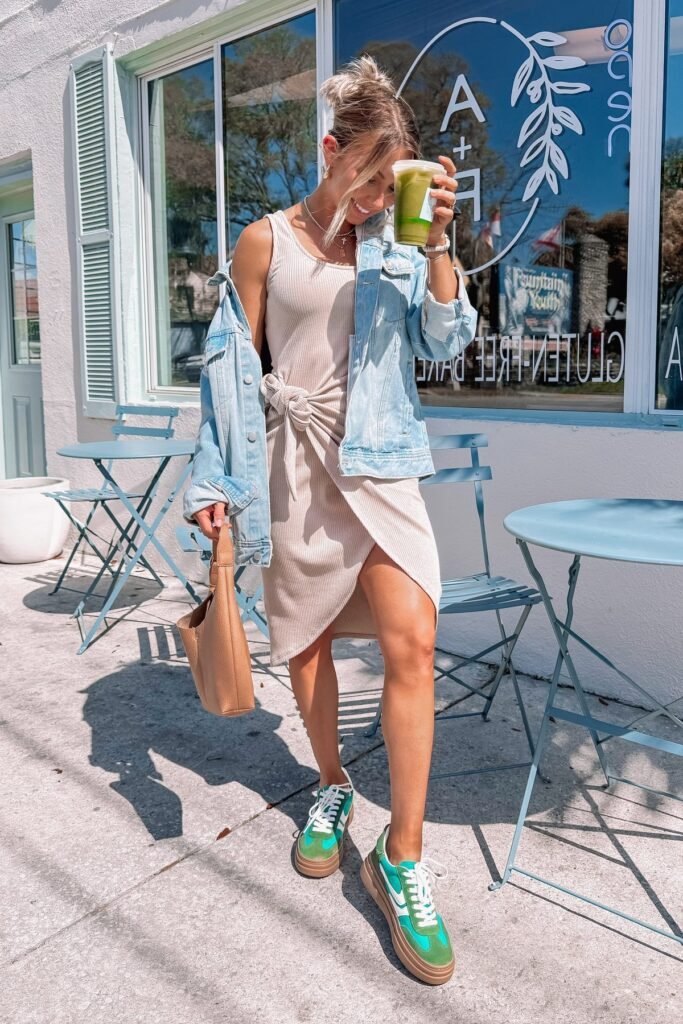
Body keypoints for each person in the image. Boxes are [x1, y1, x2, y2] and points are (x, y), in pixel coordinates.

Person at [185, 56, 477, 985]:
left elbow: (448, 341)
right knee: (304, 648)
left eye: (392, 182)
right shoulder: (264, 240)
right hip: (292, 470)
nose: (371, 198)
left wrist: (433, 242)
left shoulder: (397, 242)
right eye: (365, 177)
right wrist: (213, 479)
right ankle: (331, 788)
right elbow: (229, 366)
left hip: (380, 466)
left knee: (412, 643)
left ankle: (403, 858)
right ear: (330, 153)